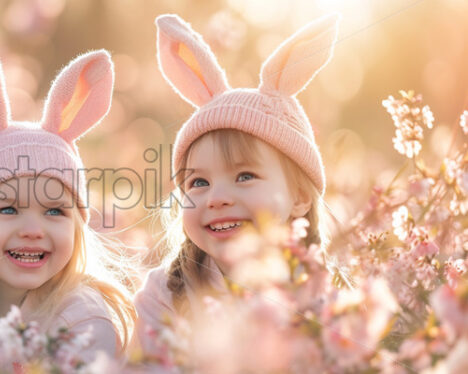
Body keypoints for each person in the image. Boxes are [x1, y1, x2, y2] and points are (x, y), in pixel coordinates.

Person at [133, 13, 340, 357]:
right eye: (198, 182)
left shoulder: (317, 293)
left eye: (244, 176)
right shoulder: (164, 294)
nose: (216, 198)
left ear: (300, 197)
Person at [0, 38, 134, 361]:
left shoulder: (82, 320)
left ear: (76, 227)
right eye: (7, 208)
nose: (33, 229)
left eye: (55, 211)